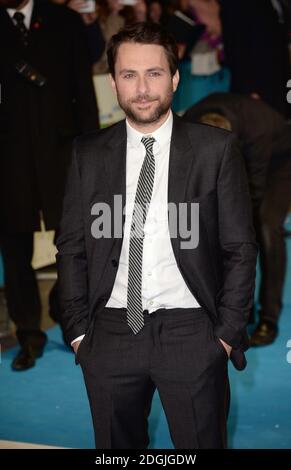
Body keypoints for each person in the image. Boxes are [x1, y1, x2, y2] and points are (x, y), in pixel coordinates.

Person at [56, 22, 257, 449]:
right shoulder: (86, 154)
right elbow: (71, 247)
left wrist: (223, 335)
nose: (142, 88)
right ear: (112, 82)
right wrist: (77, 332)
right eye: (129, 75)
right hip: (109, 331)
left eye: (155, 73)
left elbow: (240, 249)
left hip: (191, 330)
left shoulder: (214, 150)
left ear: (175, 77)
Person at [0, 0, 99, 371]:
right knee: (15, 252)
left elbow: (83, 88)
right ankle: (28, 334)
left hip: (62, 154)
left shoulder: (64, 22)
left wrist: (92, 150)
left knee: (75, 245)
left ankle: (69, 315)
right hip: (8, 163)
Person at [183, 92, 291, 346]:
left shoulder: (257, 131)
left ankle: (269, 317)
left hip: (278, 163)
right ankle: (240, 306)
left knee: (264, 227)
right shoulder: (186, 127)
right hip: (241, 154)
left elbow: (252, 195)